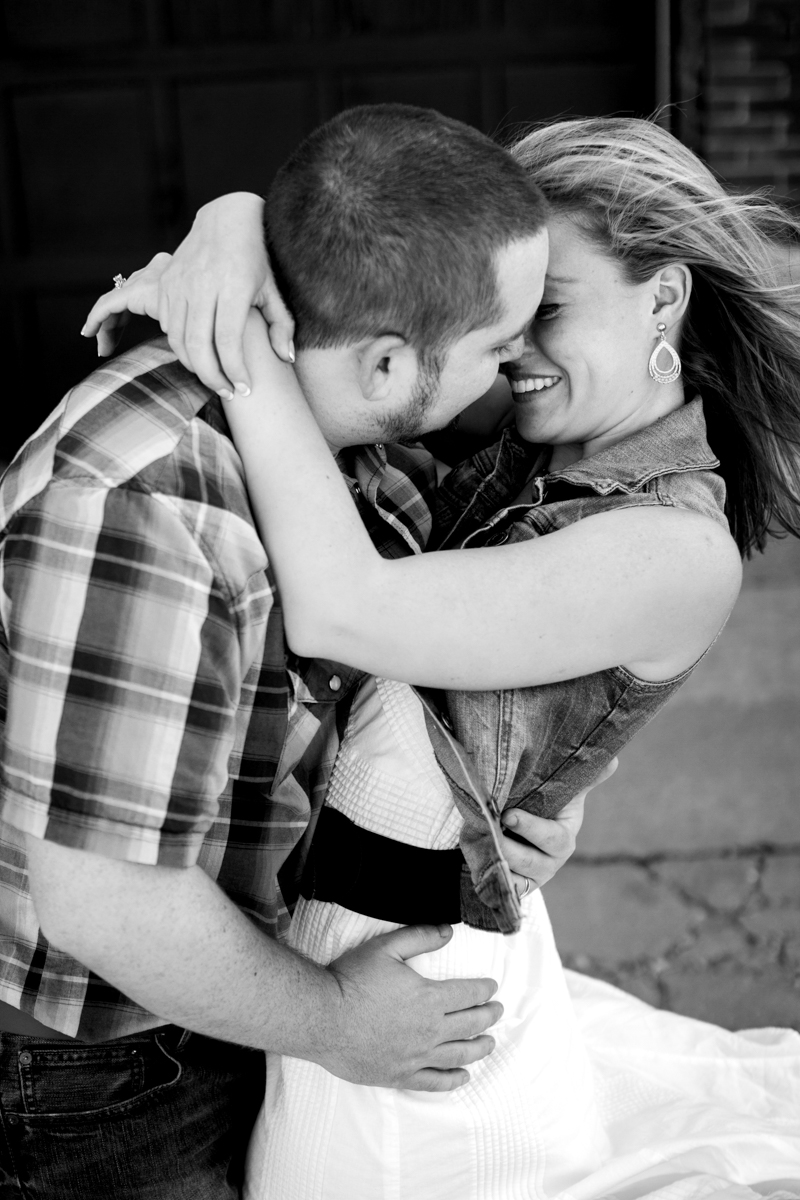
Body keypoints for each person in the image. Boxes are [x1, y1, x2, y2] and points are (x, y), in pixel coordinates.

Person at [89, 116, 800, 1198]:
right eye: (502, 320)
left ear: (661, 300)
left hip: (416, 982)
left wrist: (232, 332)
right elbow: (363, 264)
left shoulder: (675, 549)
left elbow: (342, 608)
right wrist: (237, 225)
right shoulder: (530, 436)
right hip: (332, 946)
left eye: (545, 311)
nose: (510, 350)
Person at [0, 104, 607, 1200]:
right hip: (94, 1071)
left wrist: (522, 800)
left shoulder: (362, 450)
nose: (517, 359)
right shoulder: (137, 503)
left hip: (228, 988)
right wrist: (334, 1022)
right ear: (384, 359)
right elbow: (105, 903)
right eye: (494, 341)